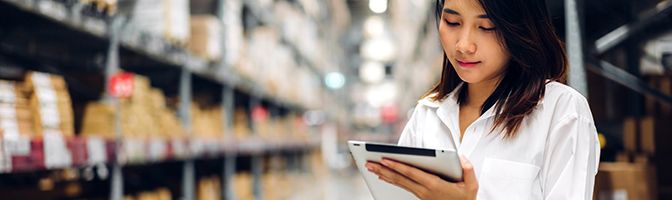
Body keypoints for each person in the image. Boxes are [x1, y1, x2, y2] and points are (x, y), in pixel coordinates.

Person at [365, 0, 600, 199]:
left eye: (487, 27)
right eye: (453, 22)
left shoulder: (561, 111)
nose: (464, 45)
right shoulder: (427, 116)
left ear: (520, 28)